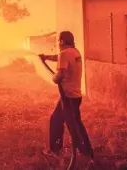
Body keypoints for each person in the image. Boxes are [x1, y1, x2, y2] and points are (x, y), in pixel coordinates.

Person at [39, 31, 93, 163]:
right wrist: (46, 57)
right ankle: (87, 152)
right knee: (76, 124)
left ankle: (56, 150)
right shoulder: (75, 52)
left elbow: (59, 76)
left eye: (58, 41)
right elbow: (59, 57)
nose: (58, 43)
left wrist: (53, 77)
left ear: (62, 41)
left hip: (67, 96)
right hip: (76, 96)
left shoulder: (64, 54)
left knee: (59, 121)